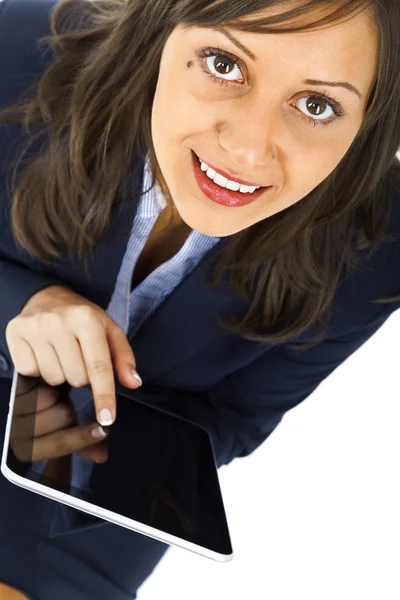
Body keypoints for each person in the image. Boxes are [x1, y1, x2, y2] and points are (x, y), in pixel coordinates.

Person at [0, 0, 399, 597]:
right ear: (161, 28)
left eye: (318, 105)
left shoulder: (378, 250)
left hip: (101, 495)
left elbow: (233, 420)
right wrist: (22, 304)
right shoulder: (12, 50)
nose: (248, 149)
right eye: (222, 63)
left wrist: (104, 436)